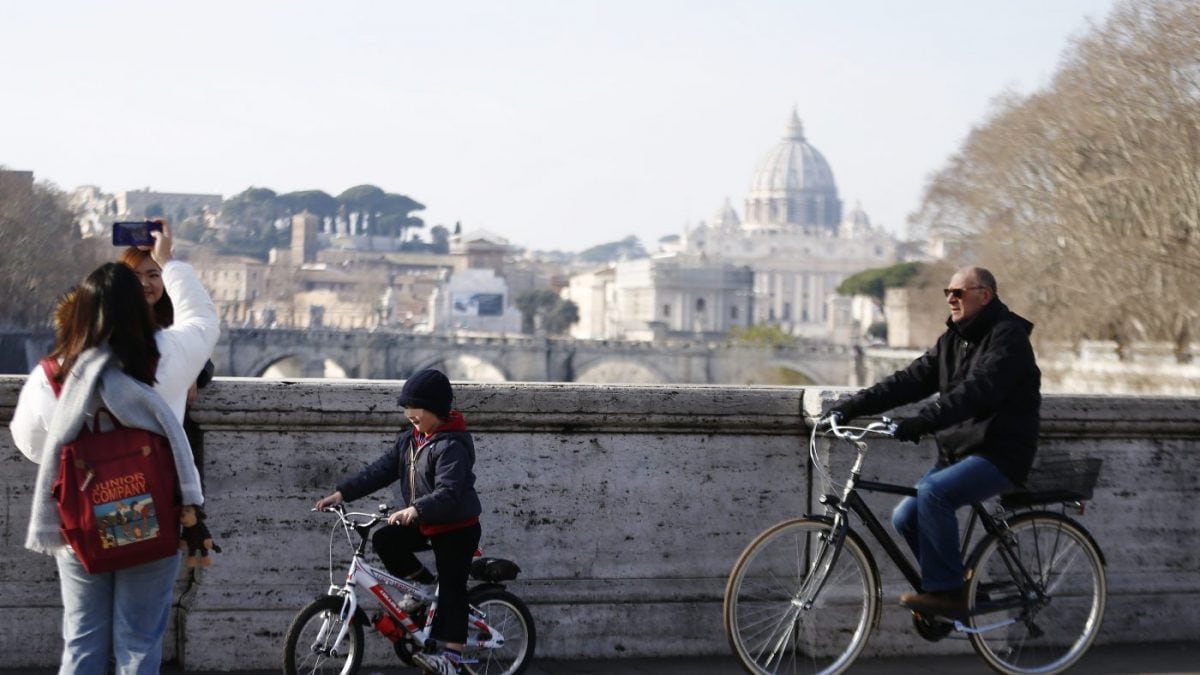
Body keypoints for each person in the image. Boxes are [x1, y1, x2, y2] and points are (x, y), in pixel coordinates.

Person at [10, 221, 220, 674]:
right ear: (142, 308)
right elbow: (204, 319)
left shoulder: (53, 373)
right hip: (152, 513)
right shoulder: (171, 354)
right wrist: (169, 261)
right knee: (140, 642)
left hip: (81, 516)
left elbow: (30, 442)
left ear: (82, 310)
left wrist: (87, 464)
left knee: (83, 640)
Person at [826, 266, 1041, 621]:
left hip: (1000, 453)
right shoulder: (953, 340)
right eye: (947, 292)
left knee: (934, 493)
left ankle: (947, 595)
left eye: (958, 292)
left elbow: (976, 392)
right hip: (959, 452)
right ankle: (951, 586)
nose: (950, 299)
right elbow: (908, 381)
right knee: (905, 517)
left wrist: (923, 421)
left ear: (984, 295)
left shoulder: (1009, 338)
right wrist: (851, 407)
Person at [315, 369, 482, 675]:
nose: (411, 420)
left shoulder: (452, 446)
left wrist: (415, 510)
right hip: (426, 520)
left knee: (452, 590)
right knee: (385, 539)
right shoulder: (411, 440)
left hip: (457, 527)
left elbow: (449, 492)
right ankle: (421, 584)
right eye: (409, 415)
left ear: (437, 412)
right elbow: (380, 470)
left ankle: (452, 659)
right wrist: (342, 494)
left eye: (417, 416)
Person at [120, 245, 216, 481]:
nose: (145, 284)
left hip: (171, 443)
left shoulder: (176, 319)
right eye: (136, 276)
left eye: (154, 275)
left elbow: (205, 361)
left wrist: (190, 370)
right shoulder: (111, 325)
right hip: (125, 444)